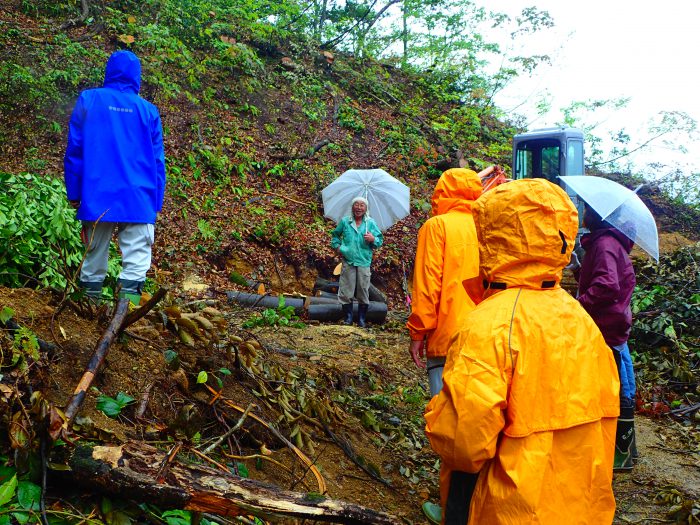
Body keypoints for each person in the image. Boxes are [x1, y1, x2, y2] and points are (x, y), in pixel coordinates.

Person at [425, 179, 620, 524]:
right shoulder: (580, 318)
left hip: (510, 509)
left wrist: (436, 415)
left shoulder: (488, 324)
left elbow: (463, 443)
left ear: (491, 235)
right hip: (581, 505)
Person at [64, 50, 166, 305]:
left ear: (109, 72)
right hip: (138, 196)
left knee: (93, 256)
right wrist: (156, 203)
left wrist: (74, 193)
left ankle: (88, 313)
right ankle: (124, 317)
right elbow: (157, 162)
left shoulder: (89, 99)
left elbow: (75, 150)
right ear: (137, 77)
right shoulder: (148, 111)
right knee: (136, 262)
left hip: (97, 194)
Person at [406, 168, 483, 396]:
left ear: (441, 192)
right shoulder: (487, 226)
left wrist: (418, 334)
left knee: (443, 417)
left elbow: (428, 286)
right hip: (484, 335)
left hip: (446, 336)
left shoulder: (437, 226)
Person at [575, 203, 637, 471]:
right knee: (623, 379)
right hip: (616, 321)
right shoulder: (607, 242)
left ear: (596, 215)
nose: (583, 214)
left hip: (607, 324)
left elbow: (607, 284)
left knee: (616, 386)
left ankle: (620, 453)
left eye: (586, 209)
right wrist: (580, 270)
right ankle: (625, 450)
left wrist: (579, 304)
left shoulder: (605, 243)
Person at [331, 196, 383, 327]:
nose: (359, 207)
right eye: (356, 205)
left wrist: (373, 239)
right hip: (348, 260)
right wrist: (338, 247)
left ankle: (361, 320)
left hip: (364, 261)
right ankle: (348, 318)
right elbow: (335, 235)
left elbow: (379, 240)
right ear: (352, 207)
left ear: (366, 209)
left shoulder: (370, 223)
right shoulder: (345, 222)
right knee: (346, 290)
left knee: (363, 290)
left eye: (362, 205)